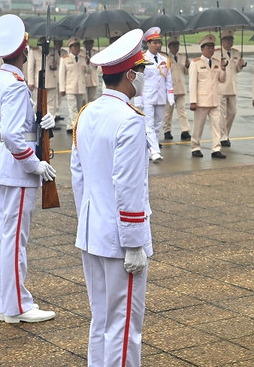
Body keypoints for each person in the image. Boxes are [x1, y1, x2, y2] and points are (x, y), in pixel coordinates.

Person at [70, 28, 153, 366]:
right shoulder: (130, 121)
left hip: (92, 232)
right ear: (130, 74)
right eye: (142, 71)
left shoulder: (86, 113)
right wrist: (134, 241)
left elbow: (78, 176)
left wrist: (88, 219)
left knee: (102, 319)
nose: (144, 78)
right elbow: (129, 186)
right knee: (124, 325)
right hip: (120, 239)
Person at [0, 14, 57, 324]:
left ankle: (7, 303)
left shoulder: (0, 79)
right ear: (24, 50)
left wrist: (42, 123)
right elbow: (15, 136)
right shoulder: (15, 85)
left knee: (4, 238)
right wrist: (35, 164)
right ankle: (17, 307)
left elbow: (15, 128)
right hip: (16, 170)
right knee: (14, 241)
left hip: (2, 165)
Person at [188, 34, 226, 159]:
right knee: (198, 125)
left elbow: (222, 79)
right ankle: (195, 146)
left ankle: (216, 148)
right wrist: (193, 101)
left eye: (212, 47)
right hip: (201, 100)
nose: (211, 49)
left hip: (215, 99)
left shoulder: (216, 62)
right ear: (202, 49)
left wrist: (223, 69)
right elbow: (192, 83)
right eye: (208, 47)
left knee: (217, 125)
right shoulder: (196, 63)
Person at [141, 27, 174, 163]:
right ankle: (154, 151)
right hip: (147, 96)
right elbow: (139, 79)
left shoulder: (164, 59)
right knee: (148, 124)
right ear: (148, 44)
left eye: (159, 42)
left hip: (160, 96)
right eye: (154, 42)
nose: (157, 45)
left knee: (157, 124)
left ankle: (148, 150)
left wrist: (170, 97)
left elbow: (169, 80)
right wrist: (138, 99)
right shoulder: (142, 59)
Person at [216, 29, 245, 147]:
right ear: (222, 41)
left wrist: (240, 66)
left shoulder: (236, 53)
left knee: (232, 112)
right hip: (221, 86)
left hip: (232, 86)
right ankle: (223, 137)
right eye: (227, 39)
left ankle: (225, 133)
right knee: (222, 114)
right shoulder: (216, 53)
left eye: (231, 39)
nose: (229, 42)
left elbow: (236, 70)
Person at [27, 37, 62, 127]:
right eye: (42, 42)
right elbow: (30, 68)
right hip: (38, 81)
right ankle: (32, 121)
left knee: (51, 104)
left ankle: (50, 123)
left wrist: (55, 64)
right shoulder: (34, 52)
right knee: (36, 103)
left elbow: (59, 62)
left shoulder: (52, 51)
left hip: (51, 80)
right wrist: (30, 81)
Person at [162, 36, 191, 141]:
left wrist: (187, 65)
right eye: (173, 45)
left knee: (182, 111)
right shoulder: (165, 58)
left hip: (181, 87)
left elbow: (186, 72)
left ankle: (185, 130)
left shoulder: (182, 57)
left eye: (177, 45)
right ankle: (167, 130)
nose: (175, 47)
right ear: (169, 46)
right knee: (168, 112)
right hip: (170, 88)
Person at [59, 37, 88, 134]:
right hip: (70, 87)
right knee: (73, 108)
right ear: (70, 48)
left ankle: (69, 126)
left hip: (80, 87)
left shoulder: (83, 58)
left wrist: (88, 63)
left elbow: (88, 72)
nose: (76, 48)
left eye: (78, 46)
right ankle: (76, 128)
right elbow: (61, 75)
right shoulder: (65, 59)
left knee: (79, 108)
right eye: (74, 46)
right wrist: (62, 88)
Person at [83, 38, 100, 102]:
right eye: (88, 43)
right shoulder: (81, 53)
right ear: (84, 44)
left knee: (92, 99)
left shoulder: (96, 53)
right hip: (85, 79)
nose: (89, 45)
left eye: (91, 43)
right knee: (84, 100)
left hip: (93, 79)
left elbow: (99, 67)